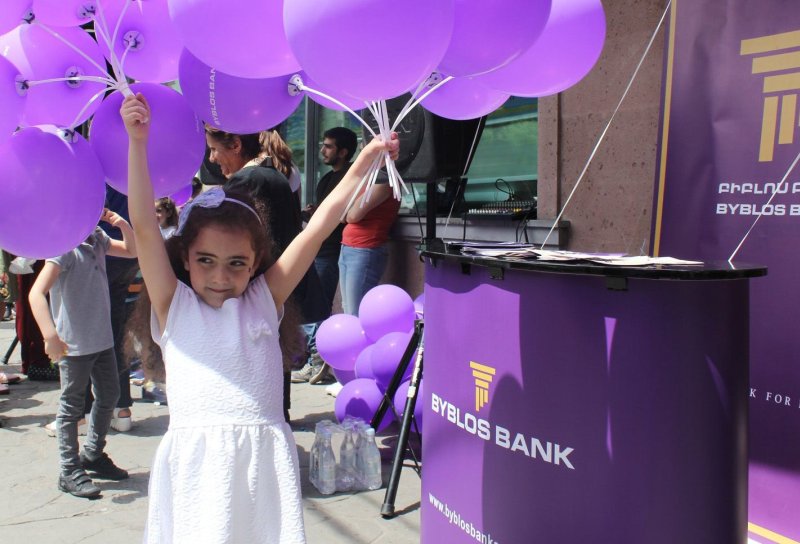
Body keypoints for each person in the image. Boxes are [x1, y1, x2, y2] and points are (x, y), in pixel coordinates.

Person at [122, 93, 397, 542]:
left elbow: (320, 227)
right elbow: (144, 224)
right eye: (206, 260)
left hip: (263, 468)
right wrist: (138, 143)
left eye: (236, 263)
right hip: (197, 470)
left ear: (255, 263)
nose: (220, 276)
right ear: (185, 259)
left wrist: (366, 161)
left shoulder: (264, 299)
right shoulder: (174, 305)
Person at [206, 126, 331, 419]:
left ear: (236, 144)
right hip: (278, 288)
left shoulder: (247, 180)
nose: (212, 158)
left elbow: (233, 239)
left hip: (256, 289)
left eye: (214, 149)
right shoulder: (274, 176)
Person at [28, 210, 137, 499]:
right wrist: (50, 335)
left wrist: (121, 224)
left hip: (101, 339)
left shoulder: (97, 239)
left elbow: (132, 250)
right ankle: (69, 469)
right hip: (74, 345)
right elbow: (36, 294)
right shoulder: (64, 249)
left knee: (109, 394)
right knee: (71, 407)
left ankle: (93, 453)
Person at [292, 127, 358, 384]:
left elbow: (343, 213)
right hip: (317, 248)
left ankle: (316, 363)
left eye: (328, 146)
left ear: (343, 152)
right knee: (311, 304)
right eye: (323, 144)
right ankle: (310, 360)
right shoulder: (326, 179)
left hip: (331, 251)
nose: (322, 150)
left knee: (318, 307)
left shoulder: (349, 177)